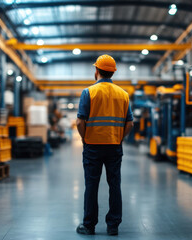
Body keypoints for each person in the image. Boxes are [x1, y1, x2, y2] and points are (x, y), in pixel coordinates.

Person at [76, 54, 134, 236]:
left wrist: (85, 138)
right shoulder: (123, 95)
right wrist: (119, 138)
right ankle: (113, 225)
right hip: (114, 146)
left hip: (92, 146)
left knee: (91, 185)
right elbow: (130, 123)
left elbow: (79, 122)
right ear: (112, 73)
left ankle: (89, 225)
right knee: (114, 184)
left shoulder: (89, 92)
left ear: (97, 71)